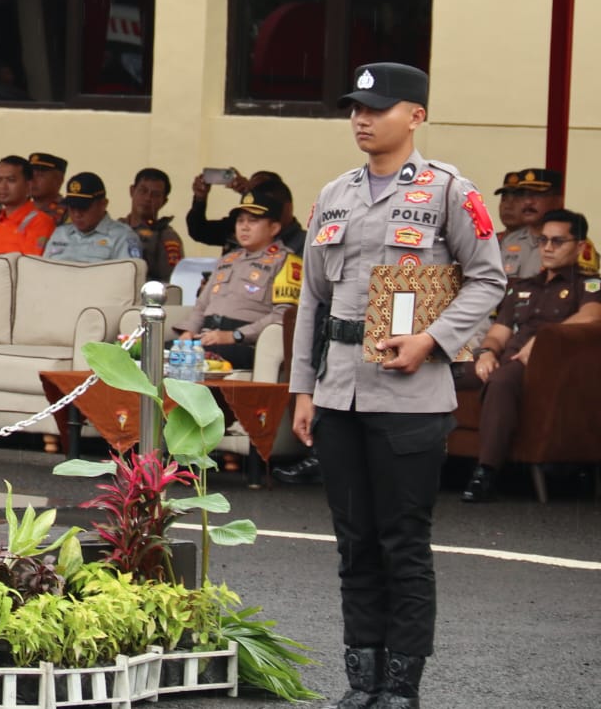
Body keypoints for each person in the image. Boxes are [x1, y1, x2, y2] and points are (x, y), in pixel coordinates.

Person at [289, 62, 505, 709]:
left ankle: (402, 686)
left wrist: (431, 340)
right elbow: (311, 298)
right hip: (338, 392)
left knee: (402, 543)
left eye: (376, 108)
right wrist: (303, 389)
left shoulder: (449, 192)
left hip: (411, 396)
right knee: (354, 543)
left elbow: (488, 279)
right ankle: (362, 681)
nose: (361, 119)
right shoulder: (334, 194)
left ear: (415, 116)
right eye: (355, 108)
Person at [461, 209, 601, 502]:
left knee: (501, 381)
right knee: (441, 373)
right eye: (543, 240)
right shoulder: (523, 287)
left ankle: (485, 472)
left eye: (557, 241)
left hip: (542, 368)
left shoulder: (589, 284)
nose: (547, 248)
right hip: (506, 358)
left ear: (579, 246)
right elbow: (498, 332)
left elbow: (591, 316)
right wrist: (486, 353)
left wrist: (540, 340)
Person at [175, 191, 300, 372]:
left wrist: (236, 335)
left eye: (253, 221)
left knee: (200, 356)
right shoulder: (228, 259)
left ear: (274, 228)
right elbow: (201, 306)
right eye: (240, 221)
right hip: (206, 338)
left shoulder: (286, 262)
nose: (244, 227)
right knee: (152, 350)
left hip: (244, 344)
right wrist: (188, 332)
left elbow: (284, 315)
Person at [188, 169, 306, 254]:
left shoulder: (304, 244)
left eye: (262, 195)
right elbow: (199, 231)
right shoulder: (239, 226)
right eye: (252, 192)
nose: (245, 227)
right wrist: (199, 199)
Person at [43, 172, 142, 264]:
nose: (77, 214)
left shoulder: (123, 237)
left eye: (83, 207)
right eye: (72, 207)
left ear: (103, 204)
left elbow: (128, 275)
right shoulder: (60, 233)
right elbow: (44, 270)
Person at [491, 168, 561, 280]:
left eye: (537, 195)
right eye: (523, 195)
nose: (528, 202)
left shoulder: (571, 245)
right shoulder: (509, 241)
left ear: (557, 201)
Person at [0, 156, 54, 256]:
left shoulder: (40, 222)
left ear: (28, 186)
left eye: (11, 180)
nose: (3, 186)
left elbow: (30, 262)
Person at [123, 168, 185, 283]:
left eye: (155, 195)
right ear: (132, 191)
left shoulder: (167, 237)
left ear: (164, 201)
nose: (148, 198)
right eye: (143, 191)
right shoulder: (114, 229)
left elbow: (170, 281)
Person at [28, 152, 69, 224]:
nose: (33, 180)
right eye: (30, 175)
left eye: (40, 175)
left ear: (59, 179)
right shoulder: (21, 209)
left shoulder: (69, 212)